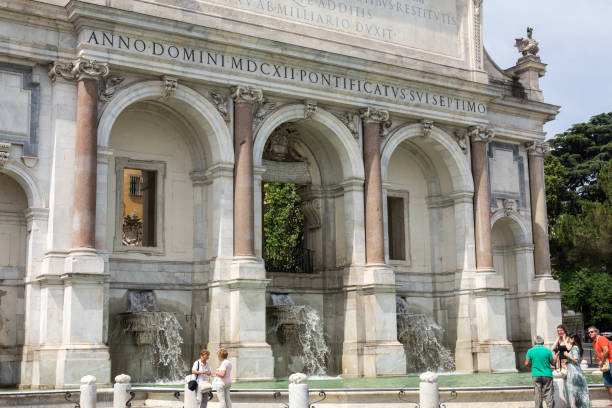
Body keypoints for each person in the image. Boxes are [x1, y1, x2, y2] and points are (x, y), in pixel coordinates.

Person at [526, 335, 557, 408]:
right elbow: (553, 363)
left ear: (534, 342)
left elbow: (526, 363)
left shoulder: (530, 351)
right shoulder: (548, 351)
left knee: (538, 394)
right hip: (547, 375)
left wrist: (533, 365)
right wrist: (556, 356)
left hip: (536, 374)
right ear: (543, 343)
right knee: (548, 393)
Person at [564, 333, 591, 408]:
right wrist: (567, 361)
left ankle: (574, 406)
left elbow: (576, 360)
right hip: (575, 371)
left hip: (574, 372)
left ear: (572, 339)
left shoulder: (575, 348)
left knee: (573, 391)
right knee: (576, 391)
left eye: (569, 338)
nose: (568, 340)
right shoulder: (575, 347)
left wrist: (567, 356)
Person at [588, 326, 612, 404]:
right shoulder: (595, 341)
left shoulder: (601, 338)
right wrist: (595, 357)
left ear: (596, 332)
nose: (590, 334)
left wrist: (602, 361)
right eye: (588, 332)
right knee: (608, 384)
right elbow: (598, 350)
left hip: (611, 362)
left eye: (592, 332)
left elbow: (606, 350)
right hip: (606, 364)